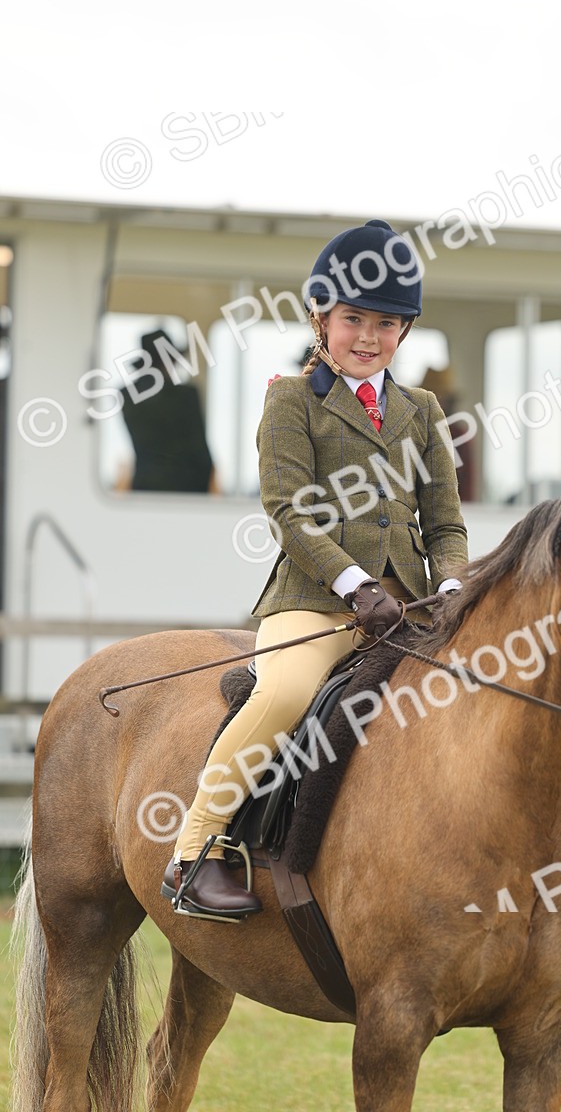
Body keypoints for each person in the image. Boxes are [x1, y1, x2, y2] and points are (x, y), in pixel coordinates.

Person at [162, 219, 469, 920]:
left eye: (386, 324)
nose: (368, 337)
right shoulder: (290, 401)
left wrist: (451, 583)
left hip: (412, 607)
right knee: (284, 694)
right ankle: (195, 852)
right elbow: (290, 513)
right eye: (354, 319)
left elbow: (444, 523)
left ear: (405, 332)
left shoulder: (423, 411)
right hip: (317, 600)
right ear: (321, 320)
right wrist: (356, 586)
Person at [119, 329, 219, 494]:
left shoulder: (127, 396)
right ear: (169, 361)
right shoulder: (187, 396)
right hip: (189, 491)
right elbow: (201, 454)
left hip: (143, 489)